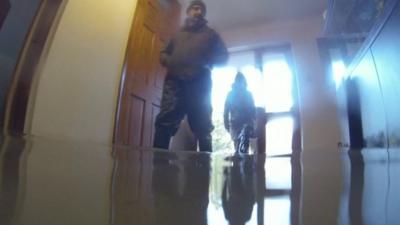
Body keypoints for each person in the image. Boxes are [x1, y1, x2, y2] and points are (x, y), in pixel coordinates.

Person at [153, 0, 228, 152]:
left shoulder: (211, 35)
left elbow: (223, 56)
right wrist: (170, 61)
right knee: (164, 123)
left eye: (201, 10)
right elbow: (163, 53)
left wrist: (207, 61)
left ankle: (204, 170)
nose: (198, 12)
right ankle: (157, 166)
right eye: (195, 8)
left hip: (200, 84)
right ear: (188, 12)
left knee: (203, 127)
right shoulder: (176, 34)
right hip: (174, 84)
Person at [224, 72, 256, 153]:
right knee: (238, 146)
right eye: (238, 82)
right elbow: (226, 111)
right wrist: (227, 125)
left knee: (244, 146)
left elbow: (253, 111)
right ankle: (240, 162)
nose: (240, 84)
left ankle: (243, 162)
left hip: (246, 124)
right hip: (235, 124)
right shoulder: (231, 95)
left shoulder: (248, 94)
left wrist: (253, 123)